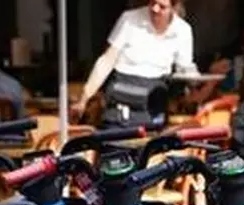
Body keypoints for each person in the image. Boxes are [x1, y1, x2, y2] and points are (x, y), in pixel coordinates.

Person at [73, 0, 198, 128]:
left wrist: (196, 81)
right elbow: (106, 60)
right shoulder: (129, 19)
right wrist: (84, 97)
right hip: (121, 103)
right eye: (152, 3)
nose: (155, 9)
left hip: (154, 104)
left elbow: (185, 68)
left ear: (174, 7)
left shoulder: (183, 30)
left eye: (162, 7)